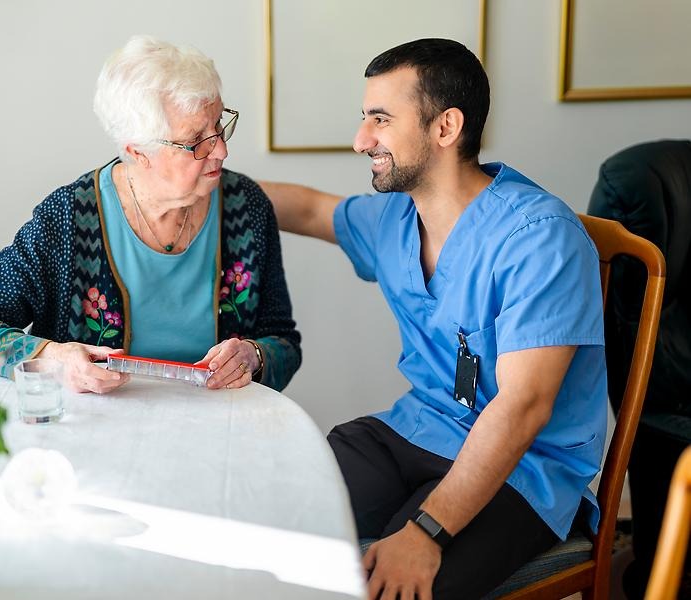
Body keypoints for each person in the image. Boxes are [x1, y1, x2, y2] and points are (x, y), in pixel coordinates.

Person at [260, 38, 607, 599]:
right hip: (418, 428)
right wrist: (196, 179)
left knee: (388, 587)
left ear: (445, 127)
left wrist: (423, 530)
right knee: (269, 517)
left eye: (380, 120)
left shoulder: (540, 239)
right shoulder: (397, 217)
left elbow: (522, 409)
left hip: (524, 469)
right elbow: (309, 209)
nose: (360, 140)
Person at [0, 35, 300, 393]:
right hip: (97, 432)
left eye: (219, 125)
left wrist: (253, 354)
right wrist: (52, 358)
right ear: (138, 152)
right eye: (197, 141)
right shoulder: (67, 218)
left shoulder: (248, 206)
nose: (221, 149)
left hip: (221, 428)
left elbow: (284, 342)